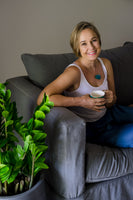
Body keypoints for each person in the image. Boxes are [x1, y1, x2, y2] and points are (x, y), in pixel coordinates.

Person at [37, 21, 133, 148]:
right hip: (92, 128)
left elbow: (111, 103)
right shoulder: (73, 73)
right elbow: (42, 98)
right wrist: (81, 101)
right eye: (84, 44)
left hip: (109, 114)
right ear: (77, 48)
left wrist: (111, 99)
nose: (91, 47)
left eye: (94, 40)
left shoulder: (106, 64)